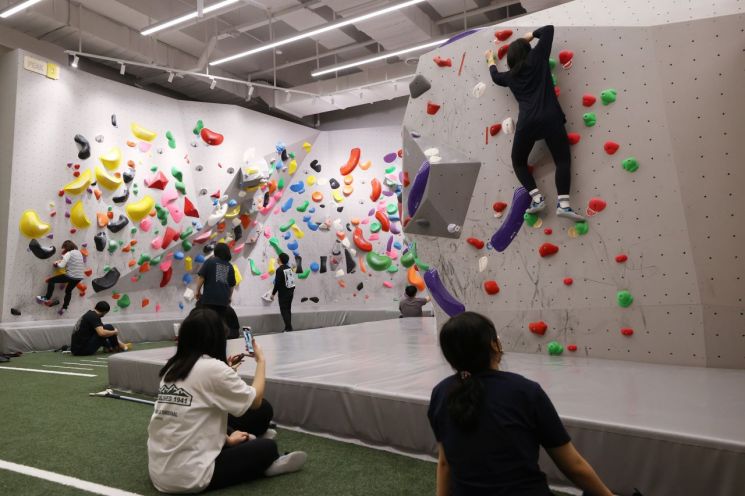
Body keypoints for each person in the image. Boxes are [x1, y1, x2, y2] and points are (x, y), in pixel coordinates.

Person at [428, 312, 613, 496]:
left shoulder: (440, 393)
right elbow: (573, 466)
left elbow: (445, 463)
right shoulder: (525, 391)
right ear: (494, 345)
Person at [148, 307, 306, 493]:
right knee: (267, 446)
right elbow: (255, 400)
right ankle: (265, 464)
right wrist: (261, 361)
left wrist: (228, 441)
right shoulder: (213, 368)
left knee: (225, 417)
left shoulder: (172, 368)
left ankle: (241, 444)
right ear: (217, 339)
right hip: (188, 477)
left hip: (159, 471)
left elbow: (189, 417)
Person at [486, 25, 584, 221]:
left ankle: (537, 199)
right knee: (562, 160)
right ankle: (564, 205)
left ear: (511, 59)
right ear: (527, 50)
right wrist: (528, 37)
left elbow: (496, 77)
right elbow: (548, 30)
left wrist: (490, 60)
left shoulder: (510, 76)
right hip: (551, 118)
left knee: (519, 162)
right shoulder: (538, 57)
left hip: (527, 123)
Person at [36, 240, 85, 315]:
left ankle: (47, 297)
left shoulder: (69, 253)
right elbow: (73, 263)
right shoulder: (78, 253)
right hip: (79, 277)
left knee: (51, 281)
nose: (64, 250)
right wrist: (63, 260)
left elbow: (61, 265)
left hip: (71, 276)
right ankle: (64, 308)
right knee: (68, 291)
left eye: (64, 248)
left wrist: (56, 263)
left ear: (67, 247)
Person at [195, 242, 236, 325]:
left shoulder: (210, 262)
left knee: (208, 322)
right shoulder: (230, 266)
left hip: (210, 299)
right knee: (219, 323)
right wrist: (229, 297)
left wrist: (197, 291)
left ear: (216, 251)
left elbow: (201, 277)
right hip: (223, 300)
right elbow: (231, 286)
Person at [271, 253, 296, 332]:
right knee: (288, 310)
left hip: (283, 294)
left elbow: (277, 283)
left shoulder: (279, 270)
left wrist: (273, 294)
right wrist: (291, 291)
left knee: (284, 310)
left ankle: (289, 328)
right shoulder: (289, 269)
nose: (277, 259)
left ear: (280, 259)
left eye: (278, 257)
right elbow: (292, 282)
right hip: (290, 293)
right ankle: (288, 327)